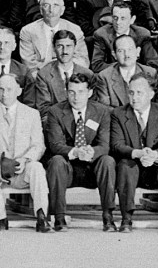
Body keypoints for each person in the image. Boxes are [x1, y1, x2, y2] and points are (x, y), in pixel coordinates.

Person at [0, 72, 49, 231]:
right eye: (1, 89)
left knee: (37, 168)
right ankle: (0, 217)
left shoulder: (32, 114)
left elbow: (38, 145)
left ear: (19, 91)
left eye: (9, 89)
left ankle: (42, 216)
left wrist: (26, 160)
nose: (5, 94)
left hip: (22, 169)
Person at [45, 66, 115, 231]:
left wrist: (91, 152)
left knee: (108, 160)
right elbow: (56, 145)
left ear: (90, 92)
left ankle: (108, 216)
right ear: (66, 92)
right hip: (67, 169)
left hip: (92, 168)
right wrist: (76, 151)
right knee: (56, 161)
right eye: (71, 92)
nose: (76, 97)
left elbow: (104, 145)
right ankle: (59, 217)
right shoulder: (55, 112)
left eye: (81, 92)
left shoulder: (102, 112)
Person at [109, 69, 158, 231]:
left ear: (151, 94)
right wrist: (139, 153)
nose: (134, 97)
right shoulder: (119, 114)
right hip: (132, 166)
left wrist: (155, 155)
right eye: (131, 93)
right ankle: (126, 218)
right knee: (125, 164)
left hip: (155, 168)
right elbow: (117, 145)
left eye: (139, 93)